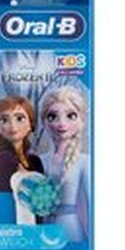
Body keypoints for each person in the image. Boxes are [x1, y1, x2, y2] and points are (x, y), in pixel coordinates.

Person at [39, 87, 90, 241]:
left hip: (70, 230)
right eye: (52, 116)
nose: (61, 123)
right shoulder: (40, 160)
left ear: (81, 121)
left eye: (70, 116)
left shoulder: (84, 161)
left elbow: (92, 204)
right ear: (44, 122)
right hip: (43, 231)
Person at [0, 96, 43, 193]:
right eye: (4, 120)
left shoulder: (35, 161)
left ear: (31, 124)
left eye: (19, 118)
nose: (12, 125)